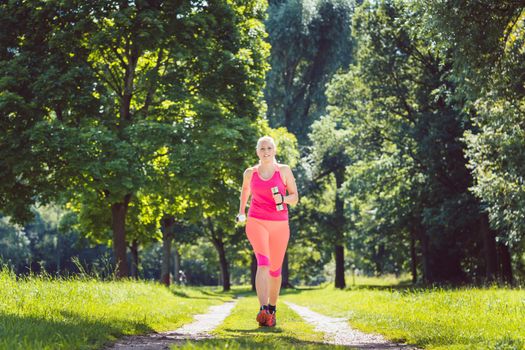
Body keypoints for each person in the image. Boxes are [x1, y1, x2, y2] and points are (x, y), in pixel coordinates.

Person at [237, 136, 299, 327]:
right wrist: (241, 212)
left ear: (274, 150)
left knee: (275, 270)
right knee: (263, 263)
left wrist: (283, 198)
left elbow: (295, 197)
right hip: (256, 221)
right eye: (262, 148)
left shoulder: (284, 171)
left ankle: (272, 309)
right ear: (257, 152)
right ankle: (263, 309)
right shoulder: (250, 173)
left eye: (269, 148)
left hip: (280, 224)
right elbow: (245, 191)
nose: (266, 152)